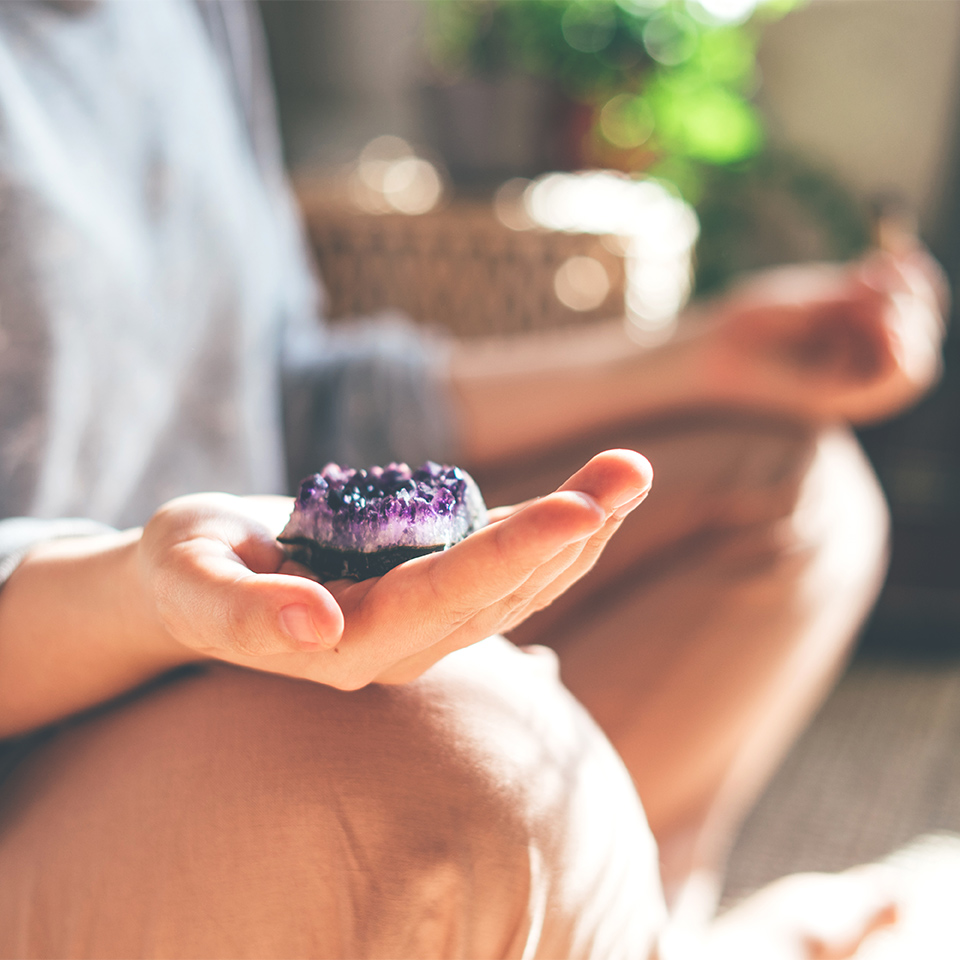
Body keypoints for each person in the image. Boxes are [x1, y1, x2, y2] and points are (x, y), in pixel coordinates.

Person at [0, 1, 946, 957]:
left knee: (788, 491)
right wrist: (143, 598)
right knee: (466, 772)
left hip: (228, 603)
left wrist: (700, 358)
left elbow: (282, 386)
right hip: (38, 714)